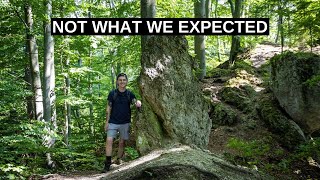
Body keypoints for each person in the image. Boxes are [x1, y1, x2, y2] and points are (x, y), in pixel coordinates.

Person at [103, 73, 141, 172]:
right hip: (113, 122)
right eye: (120, 80)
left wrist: (138, 103)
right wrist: (107, 122)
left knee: (122, 142)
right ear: (117, 82)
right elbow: (108, 108)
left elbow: (135, 102)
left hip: (125, 122)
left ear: (126, 81)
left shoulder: (129, 94)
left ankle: (118, 160)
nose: (122, 81)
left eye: (124, 80)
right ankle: (107, 164)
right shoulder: (112, 94)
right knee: (109, 140)